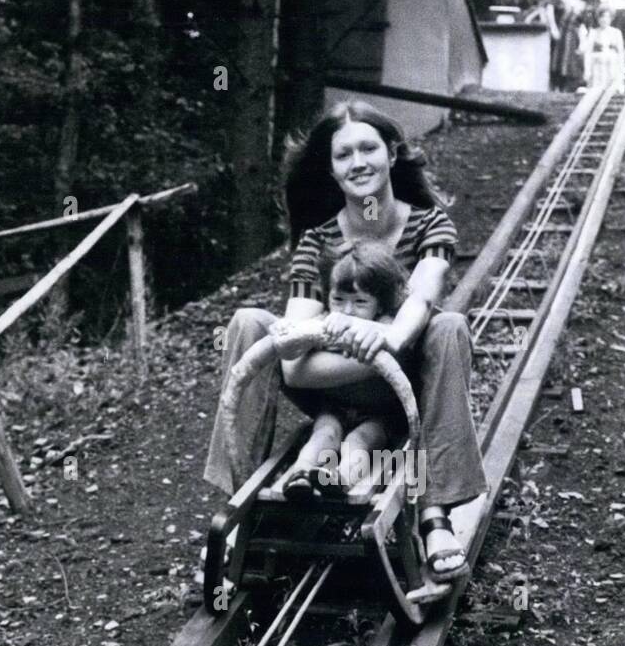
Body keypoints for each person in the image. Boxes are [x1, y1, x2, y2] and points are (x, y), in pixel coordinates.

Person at [203, 99, 488, 582]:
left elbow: (422, 298)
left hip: (406, 396)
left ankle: (434, 512)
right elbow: (292, 357)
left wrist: (386, 336)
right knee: (251, 322)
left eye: (368, 148)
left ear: (392, 154)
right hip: (331, 386)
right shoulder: (317, 240)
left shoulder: (429, 225)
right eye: (343, 155)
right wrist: (383, 345)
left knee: (446, 326)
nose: (358, 163)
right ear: (331, 170)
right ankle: (239, 505)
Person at [280, 240, 408, 500]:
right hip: (335, 407)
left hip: (379, 413)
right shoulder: (324, 320)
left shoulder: (383, 325)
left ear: (379, 305)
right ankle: (301, 474)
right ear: (327, 297)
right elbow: (293, 348)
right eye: (338, 300)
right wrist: (304, 333)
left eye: (360, 302)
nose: (348, 310)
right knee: (324, 433)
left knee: (360, 440)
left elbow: (396, 339)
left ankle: (342, 478)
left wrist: (361, 328)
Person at [546, 0, 587, 92]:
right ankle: (552, 90)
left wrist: (582, 42)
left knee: (569, 65)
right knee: (555, 62)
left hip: (572, 37)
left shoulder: (582, 4)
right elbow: (549, 8)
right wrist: (553, 28)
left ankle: (563, 92)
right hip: (559, 34)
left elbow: (582, 24)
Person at [584, 8, 625, 95]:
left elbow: (621, 52)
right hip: (597, 65)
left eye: (607, 17)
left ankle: (612, 89)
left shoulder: (616, 32)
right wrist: (587, 70)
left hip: (612, 64)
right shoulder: (593, 32)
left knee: (612, 59)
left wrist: (622, 68)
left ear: (611, 19)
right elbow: (587, 52)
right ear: (598, 19)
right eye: (602, 17)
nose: (604, 20)